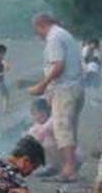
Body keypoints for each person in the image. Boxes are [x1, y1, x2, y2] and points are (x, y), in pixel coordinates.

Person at [29, 13, 84, 182]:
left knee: (62, 129)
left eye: (36, 30)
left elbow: (58, 65)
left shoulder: (54, 37)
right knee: (66, 129)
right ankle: (61, 164)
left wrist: (42, 85)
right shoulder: (64, 34)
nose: (37, 35)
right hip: (74, 87)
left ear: (41, 25)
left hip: (65, 89)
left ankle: (69, 169)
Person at [26, 98, 60, 176]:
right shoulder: (39, 124)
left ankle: (57, 166)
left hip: (67, 156)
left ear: (43, 113)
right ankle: (53, 165)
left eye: (35, 114)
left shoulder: (52, 121)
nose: (34, 117)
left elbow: (42, 132)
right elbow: (32, 132)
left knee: (44, 143)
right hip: (57, 154)